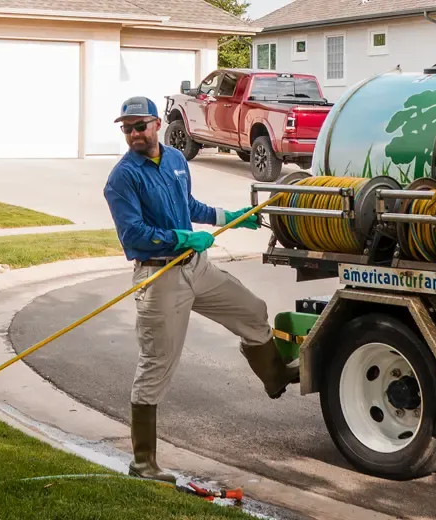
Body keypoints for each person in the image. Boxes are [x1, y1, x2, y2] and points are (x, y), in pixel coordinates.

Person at [102, 96, 298, 483]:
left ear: (157, 124)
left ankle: (274, 377)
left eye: (140, 126)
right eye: (126, 128)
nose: (134, 134)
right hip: (160, 278)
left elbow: (187, 204)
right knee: (156, 365)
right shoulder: (122, 178)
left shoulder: (175, 160)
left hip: (197, 268)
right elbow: (133, 234)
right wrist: (179, 238)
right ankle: (143, 463)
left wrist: (228, 217)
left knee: (253, 311)